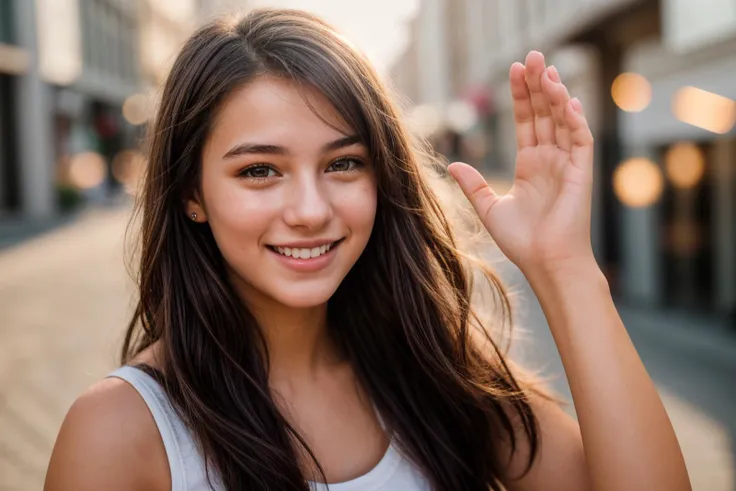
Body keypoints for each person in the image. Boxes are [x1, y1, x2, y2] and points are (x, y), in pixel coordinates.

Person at [44, 8, 691, 491]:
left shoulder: (436, 377)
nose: (309, 210)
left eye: (343, 163)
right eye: (259, 171)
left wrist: (566, 268)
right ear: (192, 192)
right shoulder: (123, 430)